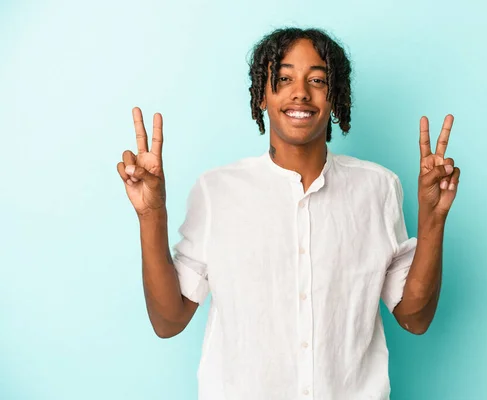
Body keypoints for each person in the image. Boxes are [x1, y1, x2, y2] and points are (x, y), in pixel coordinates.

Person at [117, 27, 460, 400]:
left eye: (317, 79)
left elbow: (415, 317)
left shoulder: (378, 189)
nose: (300, 91)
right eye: (283, 78)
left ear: (335, 97)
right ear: (262, 95)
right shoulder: (217, 191)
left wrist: (433, 219)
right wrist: (151, 215)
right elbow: (168, 322)